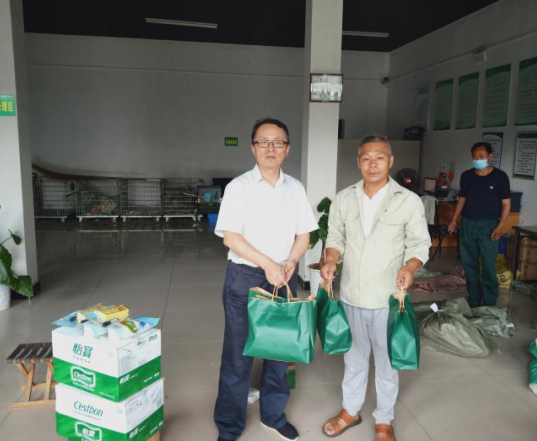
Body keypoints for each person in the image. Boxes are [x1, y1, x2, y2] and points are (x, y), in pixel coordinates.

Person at [213, 117, 318, 441]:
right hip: (245, 278)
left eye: (278, 142)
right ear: (253, 147)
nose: (270, 148)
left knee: (279, 352)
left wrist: (291, 260)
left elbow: (305, 234)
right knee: (238, 355)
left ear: (287, 149)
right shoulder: (239, 187)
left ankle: (273, 415)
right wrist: (268, 264)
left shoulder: (295, 188)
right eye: (264, 142)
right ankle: (229, 426)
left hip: (283, 277)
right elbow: (230, 237)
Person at [320, 134, 430, 441]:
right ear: (358, 162)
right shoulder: (344, 198)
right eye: (366, 158)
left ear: (390, 161)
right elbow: (335, 238)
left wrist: (409, 267)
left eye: (379, 158)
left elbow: (419, 244)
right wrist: (331, 259)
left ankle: (384, 419)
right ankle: (350, 410)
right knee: (353, 359)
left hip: (387, 298)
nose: (372, 164)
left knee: (386, 363)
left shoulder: (407, 201)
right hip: (352, 295)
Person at [448, 142, 511, 307]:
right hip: (467, 224)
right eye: (475, 156)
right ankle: (474, 300)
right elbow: (462, 199)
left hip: (489, 226)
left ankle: (489, 302)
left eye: (481, 156)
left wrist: (500, 226)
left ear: (490, 157)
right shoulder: (467, 176)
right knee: (469, 265)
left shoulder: (500, 177)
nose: (477, 159)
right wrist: (454, 219)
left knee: (489, 266)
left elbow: (506, 204)